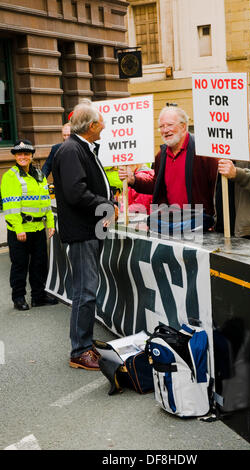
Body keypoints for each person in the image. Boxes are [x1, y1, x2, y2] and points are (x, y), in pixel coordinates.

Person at [52, 99, 117, 371]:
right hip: (81, 233)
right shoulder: (71, 150)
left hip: (88, 230)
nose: (104, 126)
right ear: (91, 126)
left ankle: (85, 344)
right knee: (84, 291)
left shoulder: (82, 148)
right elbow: (76, 192)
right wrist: (105, 205)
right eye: (101, 122)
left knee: (87, 289)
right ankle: (79, 350)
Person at [118, 106, 218, 222]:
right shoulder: (162, 155)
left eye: (170, 125)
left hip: (201, 222)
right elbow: (157, 185)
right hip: (171, 223)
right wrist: (134, 180)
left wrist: (216, 220)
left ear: (183, 126)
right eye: (161, 126)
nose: (165, 130)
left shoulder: (203, 151)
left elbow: (217, 187)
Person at [0, 139, 57, 310]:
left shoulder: (39, 174)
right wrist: (18, 228)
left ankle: (38, 297)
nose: (23, 156)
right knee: (20, 265)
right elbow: (10, 206)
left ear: (32, 155)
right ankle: (18, 298)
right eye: (19, 154)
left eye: (26, 153)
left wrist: (51, 223)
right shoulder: (10, 176)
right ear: (15, 156)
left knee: (39, 264)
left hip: (39, 228)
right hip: (21, 230)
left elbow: (45, 200)